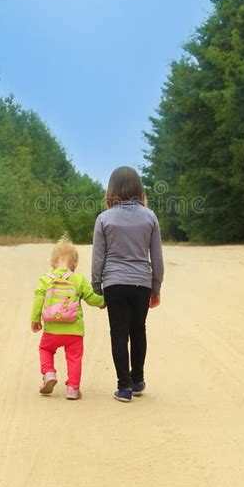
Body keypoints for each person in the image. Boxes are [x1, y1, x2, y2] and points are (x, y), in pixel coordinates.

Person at [91, 166, 164, 402]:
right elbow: (157, 257)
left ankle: (123, 387)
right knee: (138, 330)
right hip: (141, 282)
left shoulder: (104, 218)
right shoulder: (150, 216)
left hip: (114, 283)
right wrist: (156, 287)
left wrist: (96, 286)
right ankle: (138, 380)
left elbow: (98, 257)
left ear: (112, 190)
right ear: (138, 189)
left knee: (118, 333)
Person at [30, 235, 105, 400]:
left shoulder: (45, 280)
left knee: (45, 349)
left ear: (52, 262)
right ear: (75, 264)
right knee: (74, 358)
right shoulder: (78, 279)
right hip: (74, 331)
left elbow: (38, 300)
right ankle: (72, 388)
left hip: (51, 329)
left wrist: (35, 320)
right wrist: (104, 301)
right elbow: (91, 298)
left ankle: (49, 373)